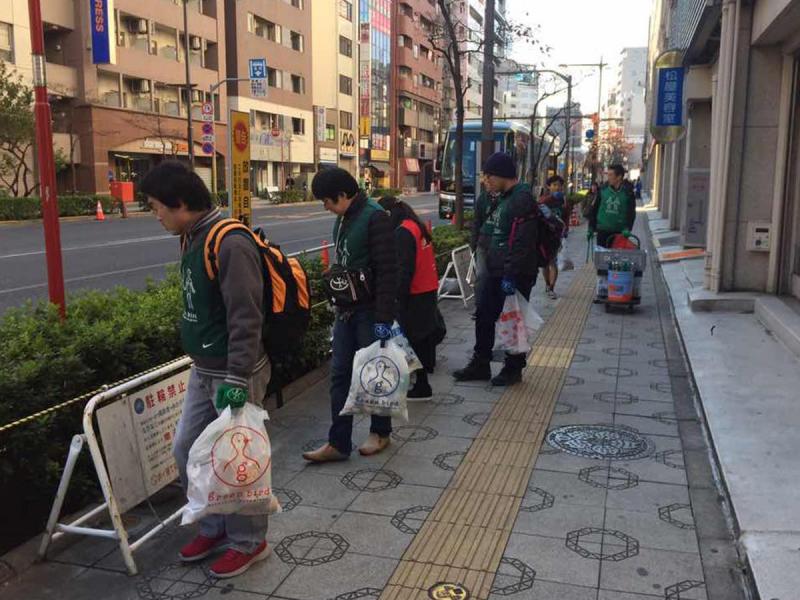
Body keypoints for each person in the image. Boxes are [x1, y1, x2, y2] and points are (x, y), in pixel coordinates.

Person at [140, 161, 271, 578]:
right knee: (188, 451)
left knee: (238, 461)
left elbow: (246, 317)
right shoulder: (191, 237)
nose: (154, 214)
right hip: (204, 369)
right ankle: (214, 527)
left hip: (236, 374)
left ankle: (251, 541)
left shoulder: (229, 243)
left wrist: (236, 380)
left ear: (180, 204)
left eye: (156, 206)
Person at [303, 167, 396, 463]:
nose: (325, 207)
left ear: (343, 195)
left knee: (374, 374)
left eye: (327, 201)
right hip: (346, 310)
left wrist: (383, 319)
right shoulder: (344, 218)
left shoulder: (375, 216)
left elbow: (387, 271)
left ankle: (380, 432)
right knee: (340, 373)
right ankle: (338, 442)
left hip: (369, 312)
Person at [453, 152, 541, 387]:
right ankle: (480, 362)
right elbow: (483, 228)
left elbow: (522, 243)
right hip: (493, 270)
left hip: (514, 273)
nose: (486, 180)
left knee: (514, 319)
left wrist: (511, 274)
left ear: (503, 174)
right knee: (484, 315)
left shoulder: (522, 199)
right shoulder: (500, 197)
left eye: (490, 175)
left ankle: (513, 368)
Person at [378, 196, 443, 399]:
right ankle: (421, 382)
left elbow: (404, 270)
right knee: (422, 338)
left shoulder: (403, 232)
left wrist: (397, 298)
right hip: (427, 288)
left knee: (415, 340)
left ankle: (422, 385)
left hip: (415, 293)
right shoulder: (415, 225)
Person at [587, 164, 637, 248]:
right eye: (608, 175)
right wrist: (591, 227)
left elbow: (631, 213)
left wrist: (628, 228)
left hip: (620, 233)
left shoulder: (628, 193)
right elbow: (594, 209)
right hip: (603, 231)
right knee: (602, 258)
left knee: (617, 259)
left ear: (619, 177)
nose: (608, 177)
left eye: (611, 175)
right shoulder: (603, 190)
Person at [471, 173, 500, 310]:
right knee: (481, 275)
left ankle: (495, 304)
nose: (486, 182)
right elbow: (477, 222)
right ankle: (479, 306)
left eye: (489, 179)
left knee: (496, 276)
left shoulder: (506, 198)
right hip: (483, 243)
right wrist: (474, 243)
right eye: (485, 180)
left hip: (500, 244)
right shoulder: (482, 199)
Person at [538, 175, 566, 299]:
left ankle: (551, 288)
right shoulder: (544, 199)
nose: (557, 187)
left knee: (553, 261)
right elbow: (538, 207)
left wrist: (565, 231)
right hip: (545, 235)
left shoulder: (564, 201)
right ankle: (547, 284)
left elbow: (566, 217)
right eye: (554, 185)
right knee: (545, 263)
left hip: (557, 236)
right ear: (549, 187)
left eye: (559, 185)